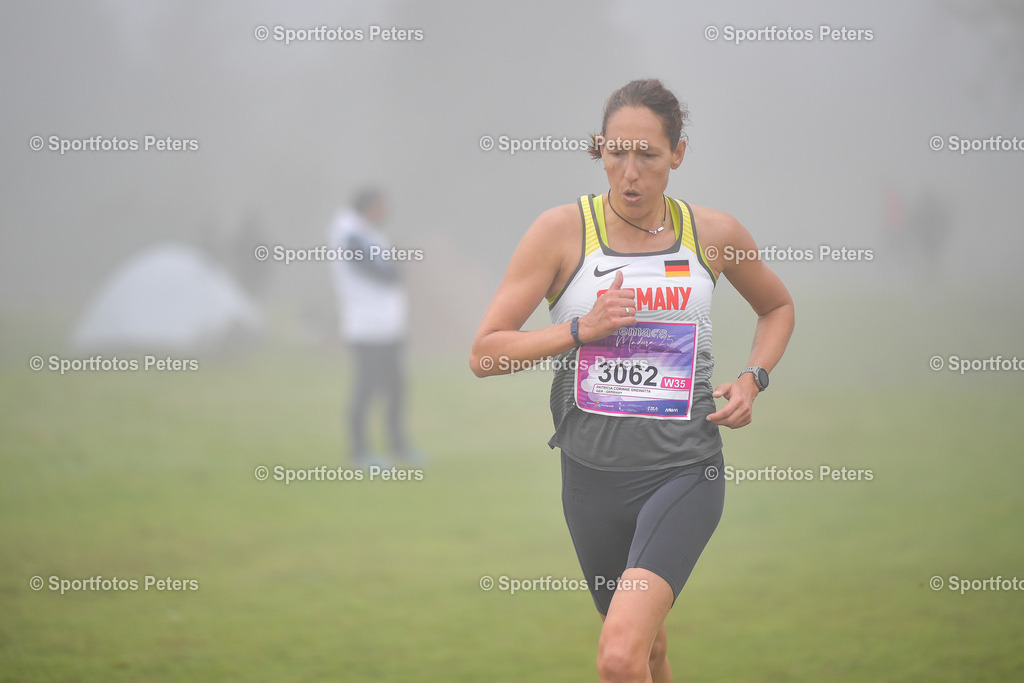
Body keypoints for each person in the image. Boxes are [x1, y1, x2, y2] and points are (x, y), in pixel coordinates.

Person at [470, 80, 794, 682]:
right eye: (615, 152)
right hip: (589, 481)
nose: (630, 172)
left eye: (647, 154)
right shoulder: (561, 233)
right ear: (599, 149)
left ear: (678, 154)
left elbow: (776, 307)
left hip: (683, 469)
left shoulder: (714, 236)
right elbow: (485, 354)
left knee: (618, 657)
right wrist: (578, 331)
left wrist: (753, 378)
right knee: (647, 652)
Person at [328, 188, 420, 467]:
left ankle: (398, 447)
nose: (385, 213)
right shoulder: (349, 234)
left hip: (385, 327)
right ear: (369, 207)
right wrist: (395, 272)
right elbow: (375, 270)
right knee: (365, 390)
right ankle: (359, 451)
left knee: (396, 388)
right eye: (382, 206)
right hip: (366, 328)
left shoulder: (366, 233)